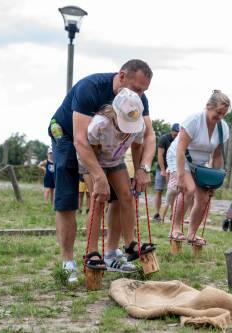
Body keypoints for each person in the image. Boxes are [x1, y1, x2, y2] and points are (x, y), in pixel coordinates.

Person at [49, 59, 155, 283]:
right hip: (68, 134)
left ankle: (113, 253)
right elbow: (80, 140)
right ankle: (69, 261)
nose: (141, 94)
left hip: (107, 150)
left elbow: (145, 137)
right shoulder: (91, 88)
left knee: (120, 195)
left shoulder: (137, 101)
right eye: (137, 88)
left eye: (144, 90)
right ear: (122, 75)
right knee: (71, 194)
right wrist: (98, 177)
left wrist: (141, 170)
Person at [83, 88, 147, 273]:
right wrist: (99, 178)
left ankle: (130, 243)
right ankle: (92, 251)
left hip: (116, 161)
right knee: (99, 200)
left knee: (127, 196)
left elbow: (137, 148)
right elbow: (92, 153)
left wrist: (138, 172)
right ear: (115, 112)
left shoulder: (139, 124)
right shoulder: (100, 124)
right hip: (93, 162)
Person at [167, 90, 231, 246]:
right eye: (218, 112)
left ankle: (192, 234)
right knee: (188, 189)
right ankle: (175, 228)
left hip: (199, 164)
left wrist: (213, 181)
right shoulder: (194, 120)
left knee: (204, 197)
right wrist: (181, 176)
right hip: (180, 157)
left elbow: (216, 156)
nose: (220, 117)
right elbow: (181, 150)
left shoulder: (222, 128)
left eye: (224, 114)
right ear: (208, 106)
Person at [153, 123, 180, 222]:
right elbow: (160, 155)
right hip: (162, 167)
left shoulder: (180, 140)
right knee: (159, 190)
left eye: (178, 133)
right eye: (175, 132)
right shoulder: (164, 139)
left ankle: (173, 214)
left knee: (174, 192)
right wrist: (163, 170)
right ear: (172, 131)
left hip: (173, 169)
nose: (177, 134)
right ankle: (157, 214)